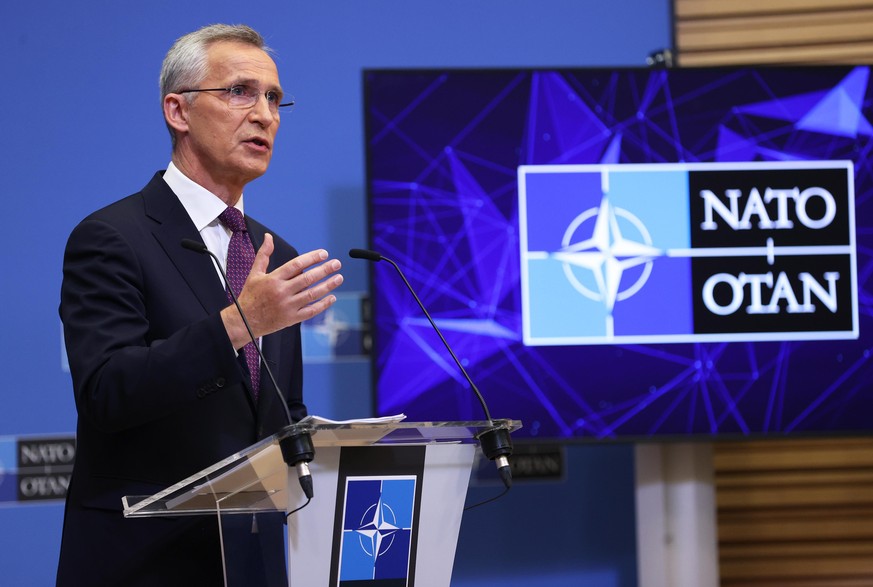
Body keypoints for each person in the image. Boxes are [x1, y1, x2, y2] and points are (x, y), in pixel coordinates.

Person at [56, 24, 343, 586]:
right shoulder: (112, 236)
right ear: (178, 111)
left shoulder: (270, 251)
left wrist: (335, 444)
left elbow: (275, 412)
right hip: (143, 561)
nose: (264, 113)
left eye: (274, 98)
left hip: (250, 562)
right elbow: (107, 393)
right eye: (239, 91)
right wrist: (239, 324)